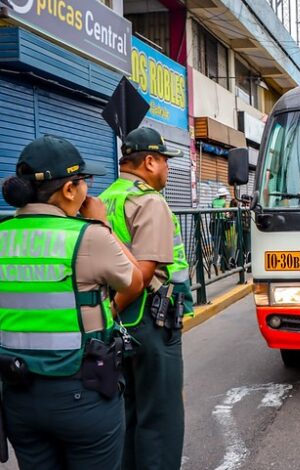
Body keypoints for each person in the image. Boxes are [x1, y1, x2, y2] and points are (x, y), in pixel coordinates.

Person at [0, 135, 143, 469]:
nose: (87, 190)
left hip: (18, 398)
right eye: (84, 182)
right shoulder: (87, 236)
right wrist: (102, 224)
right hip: (82, 396)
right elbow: (136, 280)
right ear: (68, 190)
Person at [99, 127, 194, 469]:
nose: (168, 168)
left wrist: (108, 316)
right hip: (151, 319)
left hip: (118, 323)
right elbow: (141, 274)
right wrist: (113, 309)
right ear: (150, 161)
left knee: (128, 411)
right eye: (165, 161)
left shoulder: (107, 196)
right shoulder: (148, 200)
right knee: (161, 417)